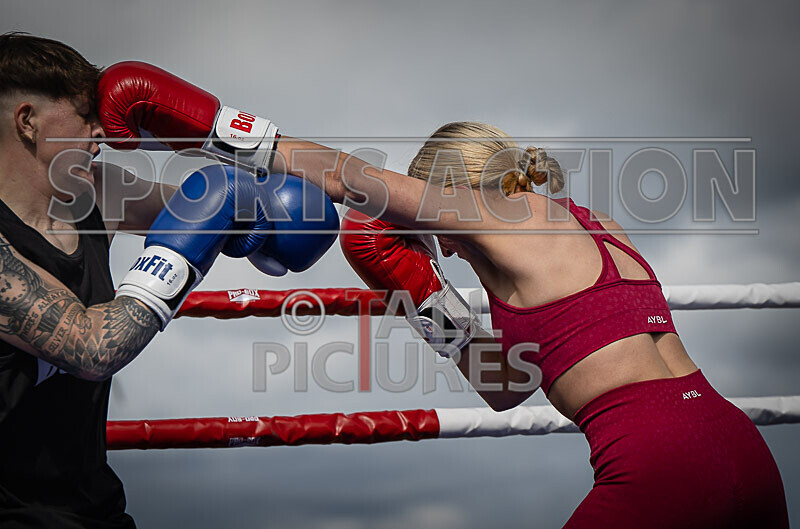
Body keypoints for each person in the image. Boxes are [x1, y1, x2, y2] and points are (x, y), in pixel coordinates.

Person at [98, 63, 790, 528]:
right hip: (741, 448)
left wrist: (206, 123)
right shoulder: (598, 226)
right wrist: (422, 294)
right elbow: (507, 389)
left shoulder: (487, 214)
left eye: (434, 229)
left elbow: (342, 176)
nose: (444, 251)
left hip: (656, 465)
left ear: (451, 192)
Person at [0, 33, 338, 528]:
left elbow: (222, 202)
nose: (102, 131)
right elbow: (92, 349)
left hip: (95, 510)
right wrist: (191, 238)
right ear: (27, 120)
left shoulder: (95, 193)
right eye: (85, 115)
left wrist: (225, 148)